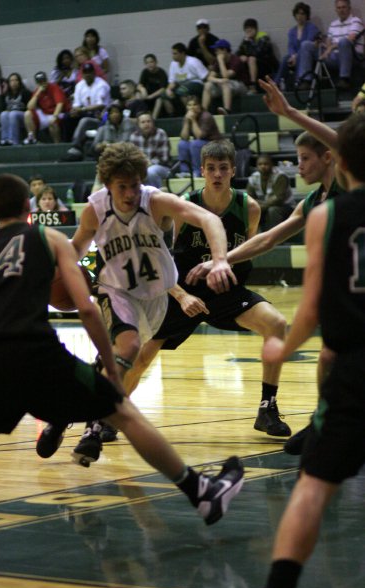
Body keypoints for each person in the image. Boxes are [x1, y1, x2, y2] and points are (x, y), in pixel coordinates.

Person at [0, 172, 245, 562]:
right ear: (29, 209)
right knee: (121, 410)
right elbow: (86, 307)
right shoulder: (46, 238)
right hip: (32, 352)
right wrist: (111, 366)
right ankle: (202, 493)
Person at [205, 112, 365, 588]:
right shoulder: (312, 205)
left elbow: (314, 304)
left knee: (313, 488)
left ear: (338, 161)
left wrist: (282, 345)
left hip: (356, 369)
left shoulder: (329, 215)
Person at [36, 141, 237, 463]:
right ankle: (93, 428)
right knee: (127, 350)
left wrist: (221, 260)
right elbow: (74, 250)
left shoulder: (155, 201)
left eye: (134, 185)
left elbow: (210, 220)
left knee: (121, 362)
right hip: (115, 291)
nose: (129, 193)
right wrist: (51, 277)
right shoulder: (94, 210)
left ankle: (63, 410)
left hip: (156, 297)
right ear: (107, 184)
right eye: (121, 186)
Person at [126, 140, 291, 438]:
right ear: (202, 170)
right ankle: (111, 416)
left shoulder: (248, 207)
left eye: (223, 168)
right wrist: (179, 293)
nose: (217, 174)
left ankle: (267, 408)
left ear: (233, 171)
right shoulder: (183, 206)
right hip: (183, 293)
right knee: (141, 358)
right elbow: (163, 256)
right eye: (211, 168)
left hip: (227, 293)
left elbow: (249, 248)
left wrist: (225, 269)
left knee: (277, 324)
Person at [224, 76, 344, 456]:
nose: (298, 166)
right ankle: (323, 422)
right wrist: (219, 261)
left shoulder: (347, 181)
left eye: (305, 158)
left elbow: (343, 144)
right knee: (328, 357)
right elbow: (268, 239)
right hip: (344, 291)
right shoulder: (311, 202)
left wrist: (291, 113)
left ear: (328, 158)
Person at [297, 0, 364, 90]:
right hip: (333, 57)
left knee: (344, 42)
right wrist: (321, 45)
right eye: (339, 8)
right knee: (306, 45)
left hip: (352, 56)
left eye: (344, 7)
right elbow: (328, 42)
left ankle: (344, 79)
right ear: (336, 10)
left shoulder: (356, 21)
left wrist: (330, 48)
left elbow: (350, 40)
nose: (341, 10)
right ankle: (306, 81)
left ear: (349, 8)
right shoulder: (333, 24)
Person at [63, 62, 111, 159]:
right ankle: (67, 144)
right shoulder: (80, 85)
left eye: (90, 72)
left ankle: (76, 146)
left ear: (94, 73)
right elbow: (76, 104)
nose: (88, 74)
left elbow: (100, 105)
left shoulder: (101, 84)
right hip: (86, 113)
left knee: (85, 120)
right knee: (68, 117)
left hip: (104, 115)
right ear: (83, 74)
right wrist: (74, 111)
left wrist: (82, 109)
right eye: (85, 72)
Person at [274, 3, 321, 89]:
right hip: (295, 56)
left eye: (303, 14)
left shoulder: (311, 27)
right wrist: (292, 56)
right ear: (295, 15)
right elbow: (290, 46)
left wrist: (296, 56)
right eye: (298, 13)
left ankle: (299, 82)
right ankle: (276, 83)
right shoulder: (292, 31)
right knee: (285, 58)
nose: (300, 16)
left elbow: (308, 44)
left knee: (301, 53)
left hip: (308, 56)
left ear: (307, 15)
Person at [247, 154, 294, 230]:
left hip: (285, 207)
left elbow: (278, 199)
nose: (263, 166)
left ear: (272, 165)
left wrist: (260, 206)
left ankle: (276, 240)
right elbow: (249, 197)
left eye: (266, 164)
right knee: (248, 209)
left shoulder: (280, 176)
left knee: (272, 210)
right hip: (263, 206)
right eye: (260, 164)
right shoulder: (253, 177)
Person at [202, 39, 249, 114]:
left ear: (224, 50)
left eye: (217, 50)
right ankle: (203, 112)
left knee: (225, 84)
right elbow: (210, 77)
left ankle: (227, 110)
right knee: (207, 85)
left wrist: (221, 61)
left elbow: (226, 76)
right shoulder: (217, 61)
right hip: (226, 85)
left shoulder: (236, 60)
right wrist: (219, 80)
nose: (215, 53)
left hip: (241, 86)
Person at [177, 96, 220, 177]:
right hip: (201, 143)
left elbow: (199, 136)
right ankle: (185, 172)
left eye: (195, 105)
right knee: (182, 144)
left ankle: (197, 172)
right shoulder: (188, 117)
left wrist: (193, 120)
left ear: (200, 106)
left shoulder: (206, 116)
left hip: (215, 145)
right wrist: (187, 121)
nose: (192, 107)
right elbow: (184, 137)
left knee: (195, 144)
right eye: (189, 105)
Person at [24, 71, 69, 145]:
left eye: (43, 81)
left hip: (58, 113)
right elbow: (29, 107)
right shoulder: (37, 91)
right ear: (37, 83)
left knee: (52, 122)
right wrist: (38, 93)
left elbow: (60, 104)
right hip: (45, 114)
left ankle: (57, 144)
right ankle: (32, 140)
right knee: (27, 114)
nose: (42, 83)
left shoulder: (54, 87)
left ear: (46, 80)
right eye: (40, 82)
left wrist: (55, 116)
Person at [163, 43, 208, 115]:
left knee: (181, 91)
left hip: (196, 83)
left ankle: (190, 113)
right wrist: (168, 89)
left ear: (183, 53)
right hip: (182, 85)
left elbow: (205, 76)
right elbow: (172, 81)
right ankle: (172, 116)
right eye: (172, 54)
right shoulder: (173, 64)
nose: (173, 56)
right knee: (164, 94)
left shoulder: (193, 61)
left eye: (175, 54)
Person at [129, 111, 171, 189]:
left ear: (153, 123)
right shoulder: (134, 136)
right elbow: (132, 157)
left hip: (162, 167)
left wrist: (148, 163)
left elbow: (164, 159)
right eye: (143, 122)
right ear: (138, 125)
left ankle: (157, 196)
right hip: (141, 167)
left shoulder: (160, 133)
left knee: (150, 171)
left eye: (149, 121)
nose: (146, 124)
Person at [236, 19, 279, 92]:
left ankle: (253, 85)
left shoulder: (263, 37)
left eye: (251, 28)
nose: (248, 30)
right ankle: (244, 86)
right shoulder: (246, 40)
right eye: (246, 29)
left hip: (266, 64)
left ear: (255, 29)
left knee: (251, 59)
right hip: (255, 65)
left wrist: (248, 42)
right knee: (240, 61)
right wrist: (241, 56)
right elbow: (238, 53)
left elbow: (257, 52)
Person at [0, 73, 31, 146]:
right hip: (11, 117)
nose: (14, 82)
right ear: (9, 83)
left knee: (13, 114)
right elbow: (3, 108)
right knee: (3, 114)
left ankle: (13, 141)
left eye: (16, 80)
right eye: (11, 80)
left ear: (19, 82)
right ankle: (5, 139)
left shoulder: (25, 92)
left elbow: (29, 109)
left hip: (23, 117)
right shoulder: (6, 94)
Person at [137, 54, 168, 119]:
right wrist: (143, 90)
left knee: (159, 99)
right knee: (138, 95)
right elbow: (139, 85)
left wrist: (150, 96)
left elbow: (163, 89)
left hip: (157, 95)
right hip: (147, 94)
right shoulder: (145, 72)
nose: (149, 64)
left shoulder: (161, 72)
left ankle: (153, 119)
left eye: (151, 62)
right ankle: (141, 117)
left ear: (156, 62)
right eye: (147, 63)